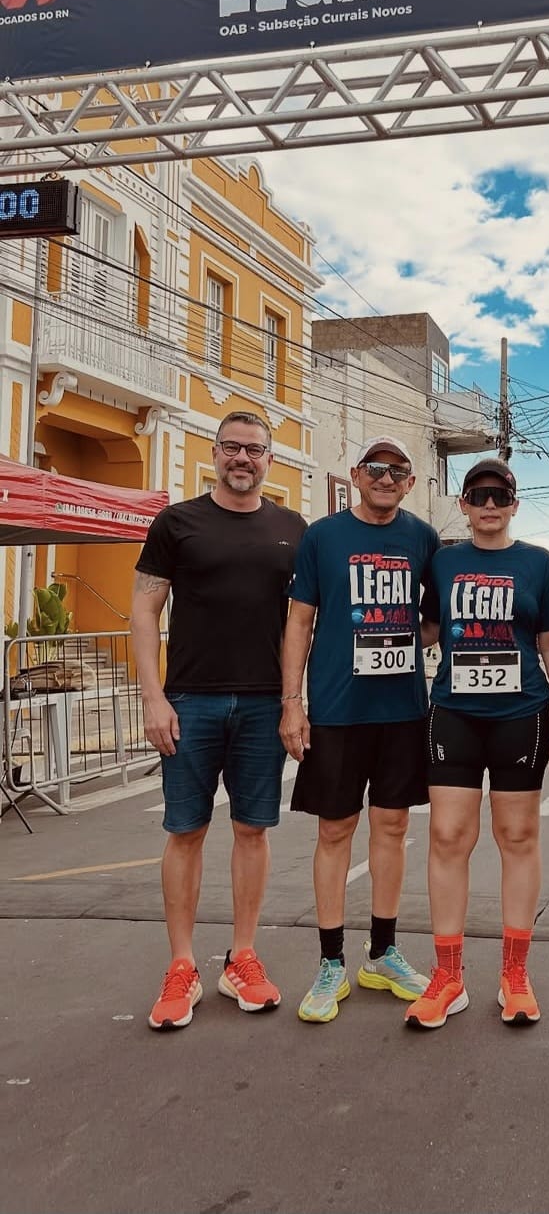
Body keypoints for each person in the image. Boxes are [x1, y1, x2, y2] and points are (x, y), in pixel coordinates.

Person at [133, 410, 307, 1031]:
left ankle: (244, 957)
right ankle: (181, 965)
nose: (243, 458)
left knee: (253, 831)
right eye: (232, 447)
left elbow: (303, 621)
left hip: (264, 702)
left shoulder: (293, 529)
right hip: (191, 702)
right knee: (185, 830)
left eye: (254, 450)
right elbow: (144, 612)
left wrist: (296, 700)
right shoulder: (177, 523)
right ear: (215, 452)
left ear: (269, 459)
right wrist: (154, 697)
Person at [281, 436, 440, 1023]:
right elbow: (299, 621)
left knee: (392, 827)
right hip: (337, 711)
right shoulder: (323, 537)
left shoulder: (422, 538)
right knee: (334, 831)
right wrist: (291, 703)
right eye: (375, 468)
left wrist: (403, 638)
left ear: (409, 482)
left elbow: (435, 617)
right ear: (354, 475)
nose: (385, 477)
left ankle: (383, 952)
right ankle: (330, 963)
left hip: (401, 710)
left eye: (396, 470)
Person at [403, 458, 549, 1030]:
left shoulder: (537, 563)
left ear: (514, 504)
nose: (490, 504)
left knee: (517, 835)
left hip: (521, 713)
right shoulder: (444, 562)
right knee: (448, 836)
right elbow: (420, 628)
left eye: (501, 495)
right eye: (479, 495)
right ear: (464, 504)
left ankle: (514, 972)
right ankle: (447, 976)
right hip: (454, 712)